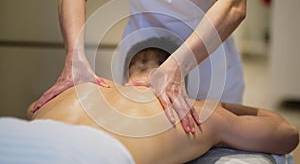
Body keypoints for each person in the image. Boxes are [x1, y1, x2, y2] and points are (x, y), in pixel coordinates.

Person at [32, 0, 252, 132]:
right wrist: (75, 57)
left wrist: (177, 66)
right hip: (139, 62)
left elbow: (233, 4)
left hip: (206, 58)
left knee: (221, 129)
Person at [22, 48, 299, 164]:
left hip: (23, 148)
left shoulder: (76, 91)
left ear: (124, 79)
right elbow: (286, 134)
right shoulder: (193, 112)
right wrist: (214, 105)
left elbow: (32, 110)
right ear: (179, 86)